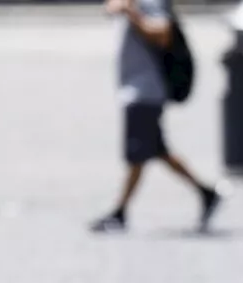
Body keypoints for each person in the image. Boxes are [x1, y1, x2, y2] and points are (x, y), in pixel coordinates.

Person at [90, 0, 223, 234]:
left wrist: (130, 12)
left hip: (145, 91)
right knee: (157, 150)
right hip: (135, 89)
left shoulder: (150, 2)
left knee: (137, 154)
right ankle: (205, 192)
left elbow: (162, 34)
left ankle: (120, 212)